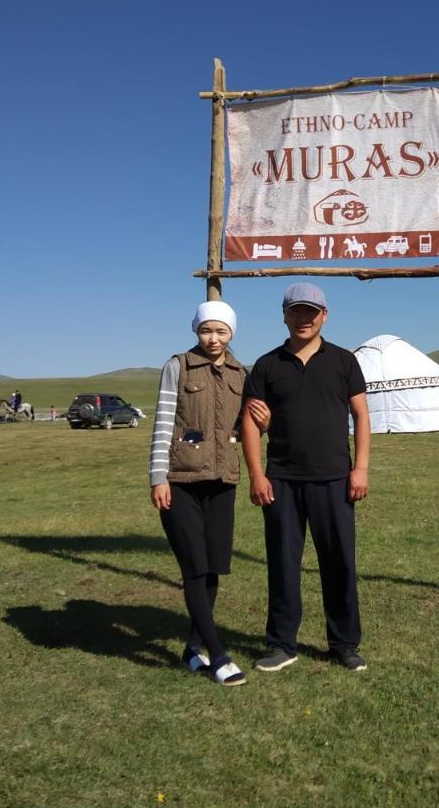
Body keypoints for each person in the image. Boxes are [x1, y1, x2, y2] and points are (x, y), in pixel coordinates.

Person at [241, 282, 371, 673]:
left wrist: (360, 467)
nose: (304, 318)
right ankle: (281, 644)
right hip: (281, 479)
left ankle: (344, 643)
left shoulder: (344, 361)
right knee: (283, 563)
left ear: (324, 316)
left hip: (334, 478)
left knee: (339, 563)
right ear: (284, 315)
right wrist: (256, 475)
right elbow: (249, 422)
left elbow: (362, 416)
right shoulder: (267, 365)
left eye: (311, 312)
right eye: (296, 311)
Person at [148, 300, 269, 686]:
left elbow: (241, 427)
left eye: (221, 331)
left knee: (214, 565)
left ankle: (191, 649)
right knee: (194, 567)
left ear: (232, 332)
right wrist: (157, 477)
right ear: (195, 331)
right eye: (206, 330)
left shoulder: (240, 372)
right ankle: (217, 655)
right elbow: (164, 421)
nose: (213, 338)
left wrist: (264, 425)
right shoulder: (178, 366)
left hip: (222, 480)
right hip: (180, 480)